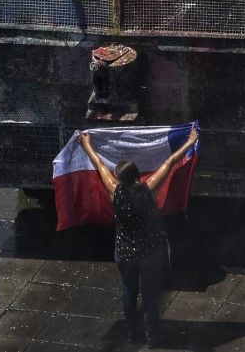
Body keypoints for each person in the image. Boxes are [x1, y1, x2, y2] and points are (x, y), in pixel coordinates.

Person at [78, 127, 199, 348]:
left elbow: (99, 164)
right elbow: (170, 162)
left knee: (128, 293)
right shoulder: (148, 190)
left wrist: (87, 144)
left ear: (119, 178)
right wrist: (190, 141)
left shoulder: (115, 191)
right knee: (151, 297)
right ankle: (154, 338)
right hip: (150, 252)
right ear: (137, 175)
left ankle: (133, 334)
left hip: (124, 252)